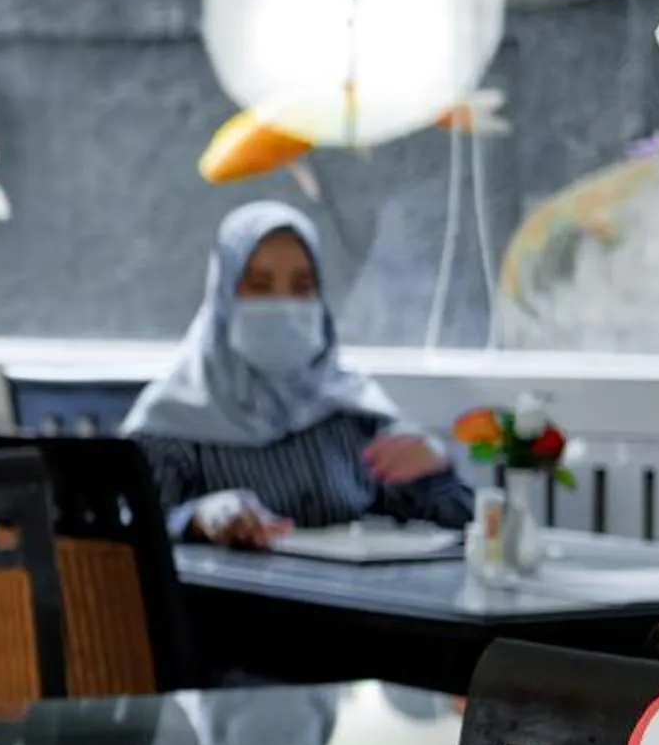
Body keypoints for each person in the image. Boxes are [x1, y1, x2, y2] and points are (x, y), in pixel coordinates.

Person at [125, 202, 473, 548]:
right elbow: (124, 530)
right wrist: (198, 517)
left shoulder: (353, 413)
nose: (283, 303)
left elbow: (464, 531)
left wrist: (436, 469)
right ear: (223, 298)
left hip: (347, 601)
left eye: (302, 286)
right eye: (260, 286)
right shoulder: (170, 422)